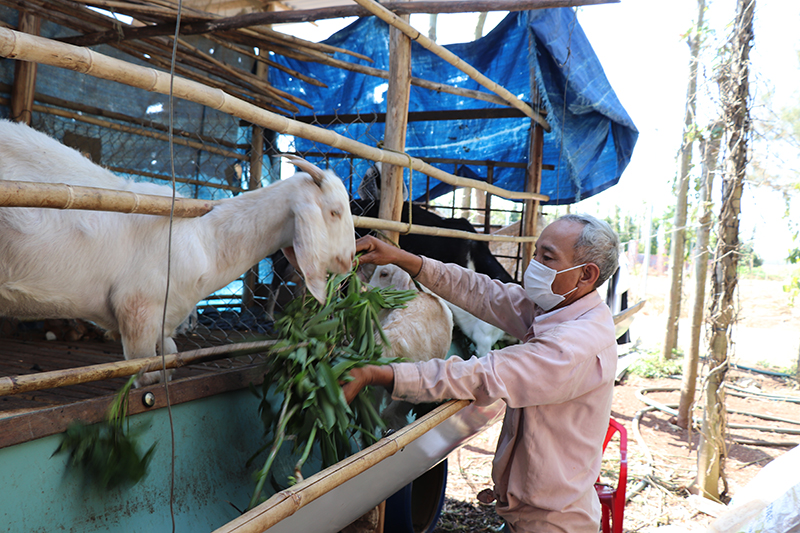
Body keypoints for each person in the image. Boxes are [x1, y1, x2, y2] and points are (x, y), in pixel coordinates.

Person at [343, 213, 620, 533]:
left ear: (586, 274)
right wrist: (407, 260)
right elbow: (484, 293)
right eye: (535, 254)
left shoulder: (574, 344)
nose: (535, 265)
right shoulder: (559, 310)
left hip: (552, 522)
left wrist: (381, 374)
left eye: (547, 257)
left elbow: (483, 374)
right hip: (533, 512)